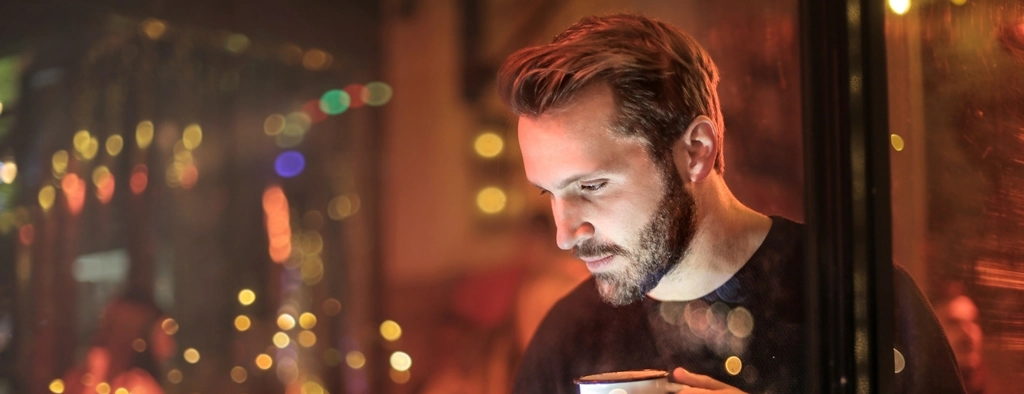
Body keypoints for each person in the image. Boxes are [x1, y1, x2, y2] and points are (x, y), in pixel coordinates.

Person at [496, 13, 966, 393]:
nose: (564, 234)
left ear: (697, 150)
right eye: (550, 193)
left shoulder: (860, 304)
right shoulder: (565, 340)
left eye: (592, 186)